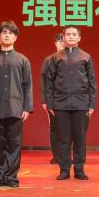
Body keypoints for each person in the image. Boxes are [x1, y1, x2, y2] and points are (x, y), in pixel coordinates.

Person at [0, 21, 33, 188]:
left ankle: (11, 176)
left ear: (15, 37)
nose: (6, 35)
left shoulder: (22, 60)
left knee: (14, 143)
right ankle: (0, 175)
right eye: (3, 32)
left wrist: (27, 108)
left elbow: (27, 85)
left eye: (10, 33)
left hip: (15, 107)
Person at [43, 25, 97, 181]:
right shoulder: (56, 57)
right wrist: (50, 103)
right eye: (68, 34)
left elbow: (92, 82)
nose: (71, 37)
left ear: (79, 38)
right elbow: (49, 82)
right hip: (61, 103)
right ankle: (64, 170)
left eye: (74, 34)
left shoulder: (86, 57)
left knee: (80, 139)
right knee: (63, 139)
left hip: (81, 103)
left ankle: (79, 169)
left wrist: (91, 104)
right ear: (64, 37)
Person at [40, 34, 64, 164]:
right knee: (54, 127)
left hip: (68, 99)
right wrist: (44, 100)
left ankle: (66, 155)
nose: (62, 43)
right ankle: (57, 156)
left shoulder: (72, 58)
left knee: (67, 128)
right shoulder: (49, 60)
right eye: (59, 41)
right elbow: (43, 81)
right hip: (52, 99)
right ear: (55, 43)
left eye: (63, 41)